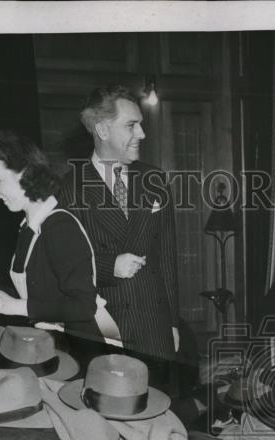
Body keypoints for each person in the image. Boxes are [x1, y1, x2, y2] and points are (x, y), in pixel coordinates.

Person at [0, 131, 111, 346]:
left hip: (82, 348)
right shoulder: (29, 227)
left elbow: (83, 307)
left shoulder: (60, 227)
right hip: (49, 343)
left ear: (26, 173)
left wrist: (15, 307)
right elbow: (33, 294)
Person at [60, 85, 181, 385]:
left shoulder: (155, 180)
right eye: (131, 125)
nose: (142, 134)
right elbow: (58, 266)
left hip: (155, 332)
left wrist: (173, 323)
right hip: (104, 333)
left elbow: (166, 257)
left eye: (140, 124)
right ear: (102, 129)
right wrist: (107, 265)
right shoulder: (67, 188)